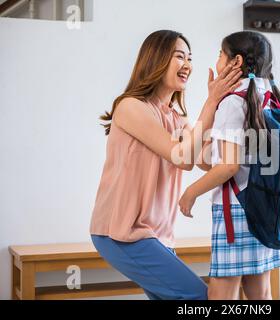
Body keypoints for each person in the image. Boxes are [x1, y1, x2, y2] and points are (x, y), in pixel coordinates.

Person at [89, 30, 242, 300]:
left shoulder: (177, 119)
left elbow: (204, 160)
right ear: (156, 59)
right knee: (199, 299)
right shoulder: (131, 107)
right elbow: (181, 157)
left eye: (190, 59)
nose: (188, 65)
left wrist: (228, 111)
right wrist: (211, 101)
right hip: (122, 233)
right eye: (180, 56)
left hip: (157, 237)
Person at [179, 31, 280, 300]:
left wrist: (190, 192)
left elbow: (228, 167)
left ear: (235, 61)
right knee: (259, 293)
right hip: (267, 207)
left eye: (220, 54)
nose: (217, 59)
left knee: (221, 296)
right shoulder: (269, 95)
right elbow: (213, 162)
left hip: (236, 212)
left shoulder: (233, 101)